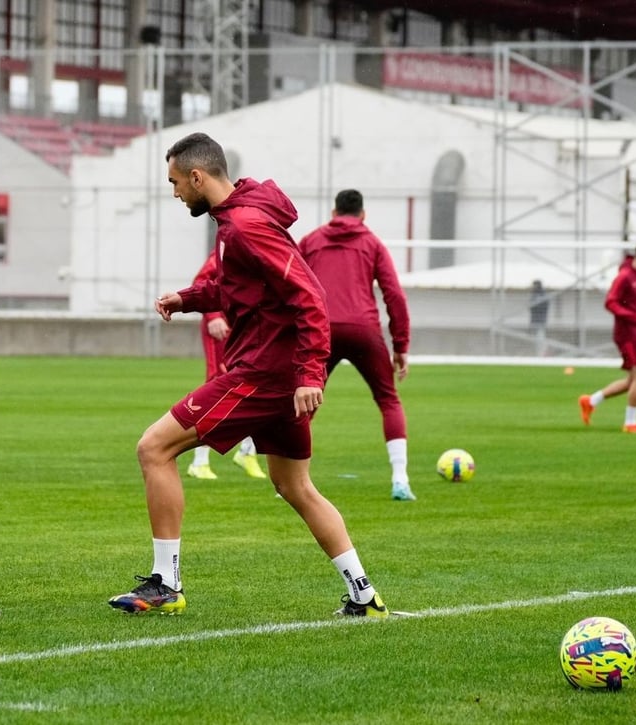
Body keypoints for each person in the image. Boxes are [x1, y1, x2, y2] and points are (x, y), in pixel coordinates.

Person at [109, 132, 386, 618]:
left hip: (262, 374)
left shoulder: (247, 225)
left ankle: (165, 585)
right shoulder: (239, 218)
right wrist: (190, 298)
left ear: (198, 177)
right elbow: (239, 287)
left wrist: (309, 374)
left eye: (176, 182)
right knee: (295, 486)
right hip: (276, 375)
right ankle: (364, 595)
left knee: (153, 448)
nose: (174, 192)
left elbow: (310, 296)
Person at [299, 189, 414, 501]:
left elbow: (289, 281)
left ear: (334, 213)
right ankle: (400, 479)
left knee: (305, 400)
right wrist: (400, 345)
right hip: (364, 329)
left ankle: (294, 482)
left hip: (321, 329)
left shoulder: (310, 241)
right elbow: (394, 295)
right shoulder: (372, 242)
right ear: (362, 215)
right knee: (388, 399)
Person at [185, 249, 267, 481]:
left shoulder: (266, 241)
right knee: (217, 388)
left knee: (257, 386)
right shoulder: (228, 244)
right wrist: (213, 316)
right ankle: (199, 462)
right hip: (222, 326)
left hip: (248, 326)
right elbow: (202, 281)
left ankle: (247, 452)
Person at [578, 239, 636, 433]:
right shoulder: (624, 276)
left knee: (633, 380)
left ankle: (590, 401)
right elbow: (610, 302)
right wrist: (634, 317)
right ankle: (630, 423)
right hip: (627, 335)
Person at [529, 279, 551, 356]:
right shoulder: (534, 295)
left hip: (540, 321)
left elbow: (537, 306)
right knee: (537, 339)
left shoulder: (542, 295)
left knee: (540, 338)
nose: (533, 287)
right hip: (535, 321)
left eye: (534, 285)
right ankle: (539, 353)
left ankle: (542, 354)